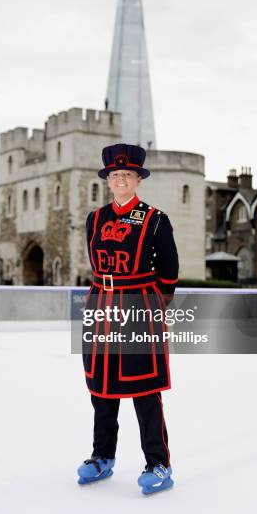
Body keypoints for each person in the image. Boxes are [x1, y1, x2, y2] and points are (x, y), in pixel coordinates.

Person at [77, 143, 179, 495]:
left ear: (138, 179)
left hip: (138, 306)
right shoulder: (96, 218)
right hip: (100, 304)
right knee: (101, 389)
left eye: (127, 174)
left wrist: (151, 305)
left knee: (144, 390)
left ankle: (158, 463)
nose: (121, 179)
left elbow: (169, 272)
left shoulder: (155, 219)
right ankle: (102, 457)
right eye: (115, 175)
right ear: (108, 180)